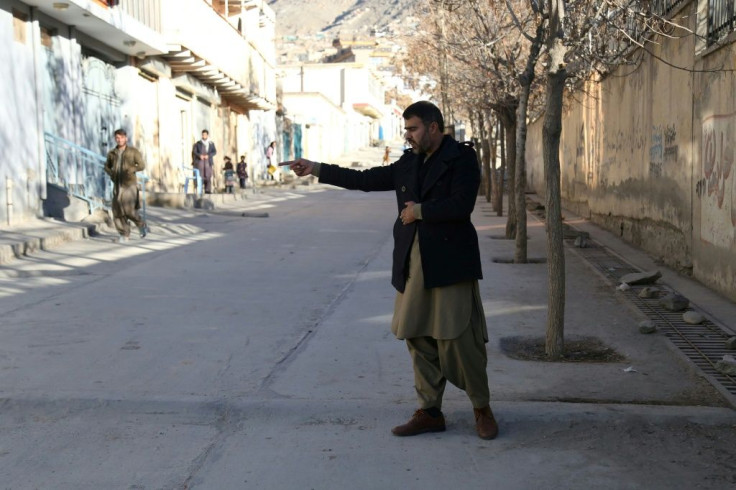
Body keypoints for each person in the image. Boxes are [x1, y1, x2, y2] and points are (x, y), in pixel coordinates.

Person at [279, 101, 497, 440]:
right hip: (413, 260)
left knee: (457, 338)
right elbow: (364, 180)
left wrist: (421, 211)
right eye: (406, 129)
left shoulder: (462, 158)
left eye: (413, 129)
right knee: (416, 334)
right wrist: (316, 168)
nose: (407, 135)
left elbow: (462, 204)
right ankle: (429, 411)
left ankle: (481, 408)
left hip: (450, 260)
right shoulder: (409, 162)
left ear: (433, 127)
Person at [104, 129, 148, 242]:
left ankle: (141, 224)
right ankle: (124, 234)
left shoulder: (133, 152)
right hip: (117, 185)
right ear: (115, 139)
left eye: (122, 137)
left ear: (126, 138)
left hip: (129, 184)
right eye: (117, 138)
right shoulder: (112, 153)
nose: (119, 140)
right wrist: (111, 173)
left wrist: (131, 169)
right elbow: (106, 166)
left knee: (128, 210)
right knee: (117, 211)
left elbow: (142, 165)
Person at [192, 129, 217, 194]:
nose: (204, 136)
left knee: (208, 176)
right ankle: (200, 189)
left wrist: (208, 156)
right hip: (200, 163)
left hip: (208, 162)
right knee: (201, 176)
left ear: (207, 135)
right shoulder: (198, 143)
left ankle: (208, 190)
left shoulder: (211, 143)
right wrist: (199, 156)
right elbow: (194, 152)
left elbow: (214, 152)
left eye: (205, 135)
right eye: (203, 135)